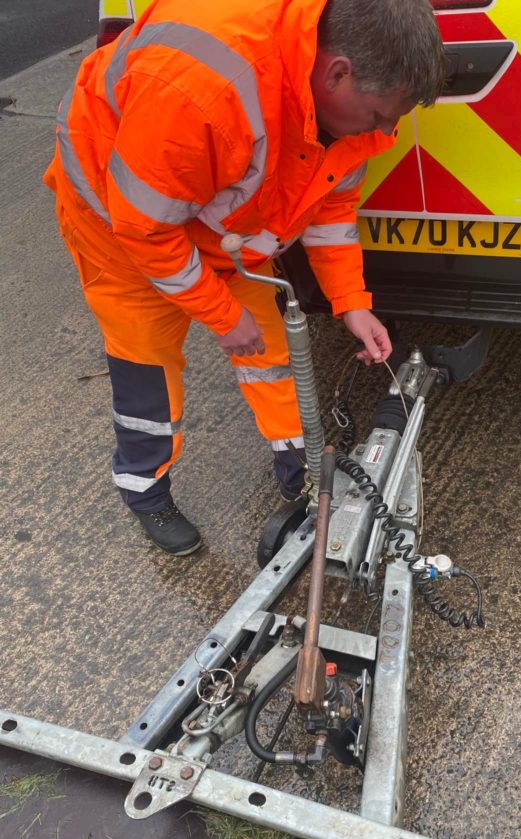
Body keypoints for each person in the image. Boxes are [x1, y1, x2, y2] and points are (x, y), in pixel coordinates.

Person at [44, 0, 444, 555]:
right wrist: (220, 314)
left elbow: (328, 208)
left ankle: (300, 470)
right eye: (379, 115)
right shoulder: (199, 90)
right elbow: (148, 232)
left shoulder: (335, 106)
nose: (385, 131)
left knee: (274, 353)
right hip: (121, 225)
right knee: (148, 368)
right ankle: (145, 491)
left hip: (215, 222)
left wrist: (352, 301)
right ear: (337, 72)